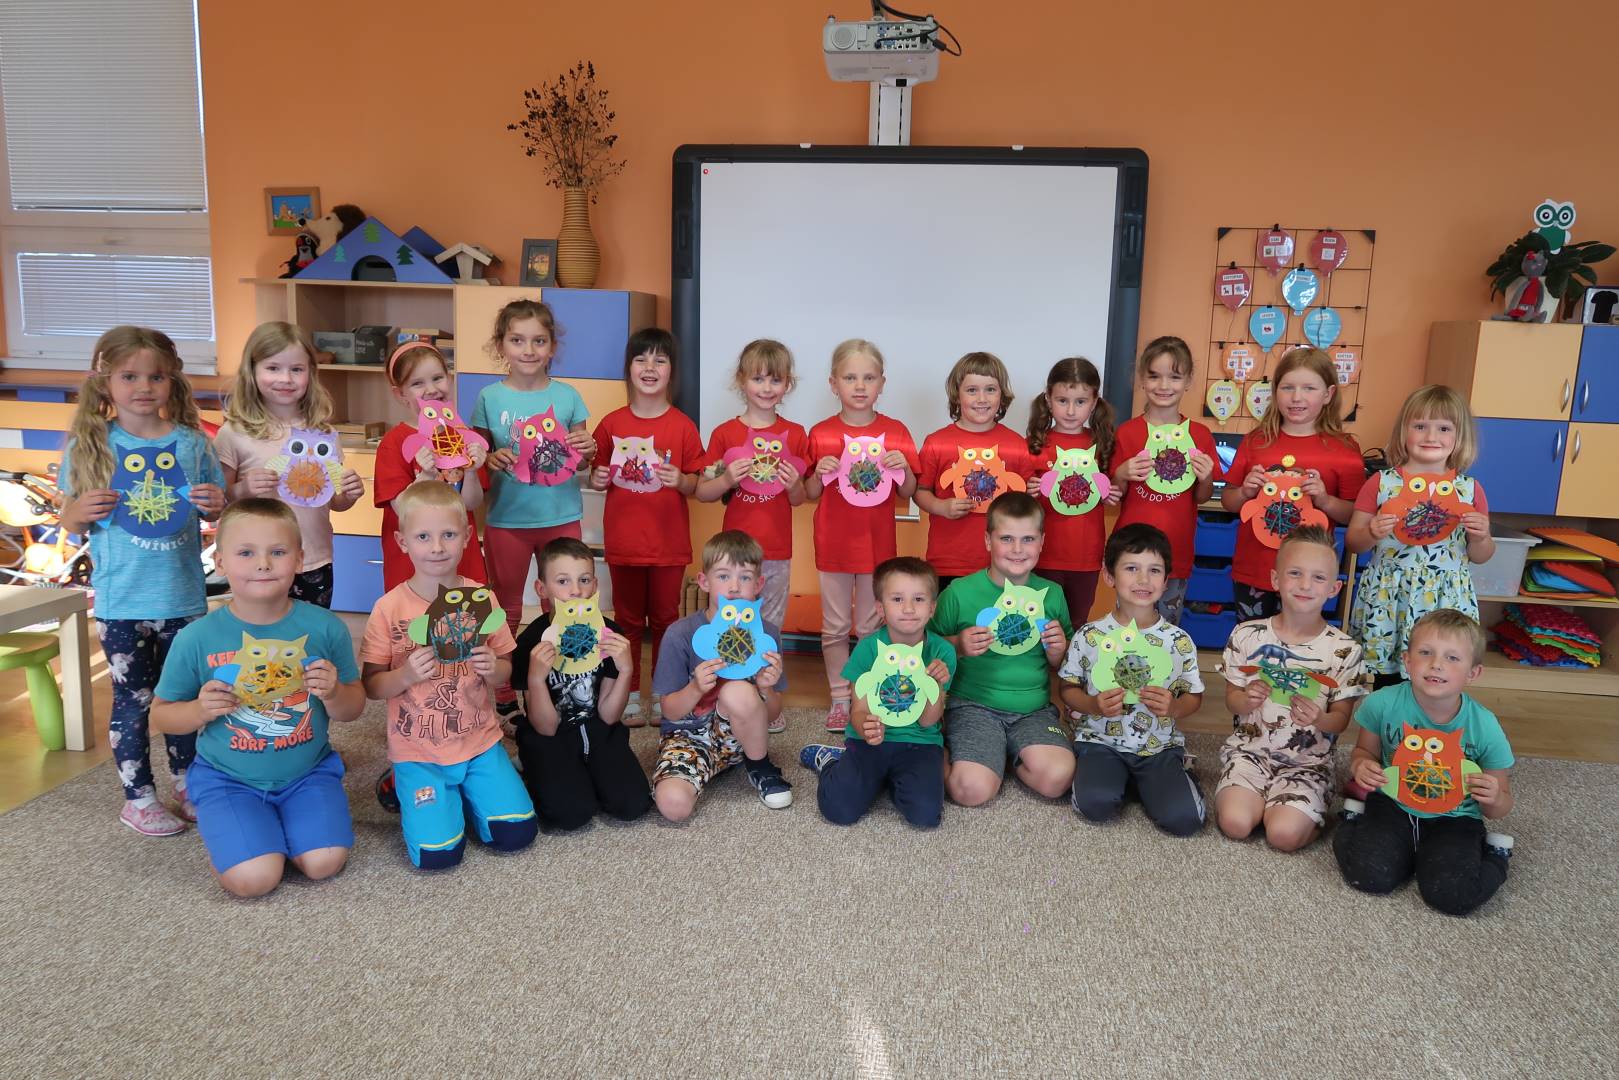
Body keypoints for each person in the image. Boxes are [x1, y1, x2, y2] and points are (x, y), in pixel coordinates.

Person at [57, 326, 226, 836]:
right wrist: (80, 510)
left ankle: (188, 783)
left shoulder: (192, 442)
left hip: (183, 597)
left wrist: (215, 505)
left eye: (156, 376)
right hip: (122, 602)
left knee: (185, 697)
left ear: (172, 381)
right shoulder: (93, 444)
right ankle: (138, 798)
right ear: (105, 382)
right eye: (129, 376)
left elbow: (215, 505)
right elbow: (69, 518)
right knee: (133, 702)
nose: (144, 387)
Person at [150, 500, 363, 896]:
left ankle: (275, 828)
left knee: (324, 863)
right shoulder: (197, 638)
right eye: (246, 553)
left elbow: (354, 708)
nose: (263, 564)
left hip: (308, 773)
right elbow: (161, 717)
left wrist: (334, 692)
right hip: (227, 779)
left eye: (277, 552)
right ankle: (247, 832)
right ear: (220, 561)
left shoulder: (325, 628)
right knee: (254, 880)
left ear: (300, 560)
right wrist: (198, 710)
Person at [360, 480, 537, 869]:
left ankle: (468, 794)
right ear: (402, 542)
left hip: (479, 742)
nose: (437, 547)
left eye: (449, 535)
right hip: (419, 751)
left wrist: (493, 669)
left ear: (468, 537)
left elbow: (506, 668)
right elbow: (371, 685)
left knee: (517, 834)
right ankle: (402, 782)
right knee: (437, 857)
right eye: (423, 536)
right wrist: (404, 676)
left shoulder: (482, 598)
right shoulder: (388, 608)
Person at [1335, 610, 1515, 916]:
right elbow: (1364, 752)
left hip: (1455, 817)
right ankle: (1352, 820)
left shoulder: (1485, 726)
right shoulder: (1382, 703)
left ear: (1473, 673)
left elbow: (1500, 806)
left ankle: (1496, 855)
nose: (1436, 664)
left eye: (1452, 658)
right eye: (1425, 653)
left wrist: (1494, 797)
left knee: (1453, 896)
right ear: (1407, 661)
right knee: (1369, 875)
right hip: (1393, 804)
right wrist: (1360, 766)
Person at [470, 299, 595, 723]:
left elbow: (581, 459)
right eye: (517, 340)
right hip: (507, 520)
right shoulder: (489, 397)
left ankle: (564, 680)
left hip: (561, 516)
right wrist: (490, 458)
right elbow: (475, 456)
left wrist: (588, 450)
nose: (528, 350)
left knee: (564, 606)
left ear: (552, 346)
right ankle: (505, 691)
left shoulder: (568, 396)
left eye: (539, 341)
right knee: (505, 608)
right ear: (501, 345)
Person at [1215, 526, 1368, 851]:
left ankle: (1301, 811)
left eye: (1318, 577)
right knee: (1235, 824)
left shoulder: (1345, 649)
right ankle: (1267, 802)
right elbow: (1231, 701)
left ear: (1334, 588)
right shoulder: (1246, 635)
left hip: (1307, 763)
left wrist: (1319, 718)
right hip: (1250, 754)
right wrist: (1246, 699)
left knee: (1282, 836)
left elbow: (1340, 721)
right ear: (1275, 579)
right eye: (1295, 573)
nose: (1305, 585)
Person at [929, 491, 1074, 807]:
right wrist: (958, 645)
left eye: (1028, 539)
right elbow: (925, 648)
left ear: (1042, 542)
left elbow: (1064, 664)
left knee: (1058, 779)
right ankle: (947, 750)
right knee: (971, 791)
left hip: (1033, 709)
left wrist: (1057, 650)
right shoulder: (959, 592)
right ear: (987, 541)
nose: (1018, 549)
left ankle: (1003, 756)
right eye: (1006, 538)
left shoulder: (1052, 594)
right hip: (974, 706)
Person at [1059, 523, 1205, 835]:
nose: (1143, 579)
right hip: (1101, 742)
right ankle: (1126, 782)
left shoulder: (1178, 640)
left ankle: (1157, 781)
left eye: (1154, 570)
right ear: (1109, 575)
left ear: (1166, 580)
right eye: (1131, 568)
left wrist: (1175, 708)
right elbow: (1068, 688)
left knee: (1184, 820)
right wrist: (1092, 705)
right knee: (1095, 805)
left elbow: (1194, 696)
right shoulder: (1090, 635)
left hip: (1158, 746)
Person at [589, 328, 704, 724]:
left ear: (672, 370)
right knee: (626, 622)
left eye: (660, 359)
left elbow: (697, 483)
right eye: (641, 359)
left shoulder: (682, 426)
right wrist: (598, 478)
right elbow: (597, 473)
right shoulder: (611, 423)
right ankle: (629, 692)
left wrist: (682, 481)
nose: (650, 367)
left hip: (668, 545)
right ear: (629, 368)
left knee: (667, 621)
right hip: (624, 544)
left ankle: (664, 693)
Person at [803, 339, 920, 731]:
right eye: (850, 377)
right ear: (833, 383)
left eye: (868, 378)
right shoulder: (821, 433)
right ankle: (840, 698)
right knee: (835, 627)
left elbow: (908, 492)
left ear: (881, 383)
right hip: (834, 545)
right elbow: (808, 493)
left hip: (877, 548)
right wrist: (819, 473)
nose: (859, 386)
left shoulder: (896, 431)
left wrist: (904, 468)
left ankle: (866, 695)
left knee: (872, 627)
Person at [1347, 384, 1495, 689]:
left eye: (1444, 428)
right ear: (1404, 431)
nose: (1431, 436)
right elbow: (1353, 542)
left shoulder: (1469, 489)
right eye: (1420, 426)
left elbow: (1481, 556)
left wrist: (1481, 538)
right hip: (1390, 597)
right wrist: (1371, 531)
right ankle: (1390, 719)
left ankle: (1430, 720)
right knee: (1388, 678)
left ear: (1460, 437)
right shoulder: (1381, 483)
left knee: (1438, 676)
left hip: (1444, 599)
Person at [215, 321, 365, 607]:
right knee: (261, 631)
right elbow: (219, 500)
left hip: (313, 558)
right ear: (252, 371)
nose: (285, 378)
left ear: (311, 373)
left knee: (311, 631)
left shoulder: (324, 434)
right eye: (273, 368)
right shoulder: (234, 432)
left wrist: (349, 495)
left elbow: (334, 501)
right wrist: (243, 489)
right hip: (258, 564)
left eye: (296, 369)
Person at [799, 556, 956, 828]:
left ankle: (890, 779)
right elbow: (858, 711)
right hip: (870, 741)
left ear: (932, 608)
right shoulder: (868, 649)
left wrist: (936, 685)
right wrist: (866, 727)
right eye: (897, 599)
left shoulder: (942, 653)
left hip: (919, 742)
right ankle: (831, 762)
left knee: (926, 816)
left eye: (919, 599)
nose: (908, 608)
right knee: (838, 810)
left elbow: (927, 721)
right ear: (880, 608)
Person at [510, 537, 652, 830]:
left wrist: (626, 670)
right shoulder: (530, 641)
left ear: (595, 586)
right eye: (562, 581)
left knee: (633, 804)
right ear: (542, 589)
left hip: (600, 731)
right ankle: (531, 764)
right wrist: (536, 679)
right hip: (551, 738)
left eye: (584, 580)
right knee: (571, 815)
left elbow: (609, 716)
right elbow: (546, 728)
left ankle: (586, 772)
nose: (575, 590)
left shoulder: (609, 633)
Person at [650, 530, 791, 819]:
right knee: (674, 806)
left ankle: (759, 765)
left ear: (759, 585)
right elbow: (670, 711)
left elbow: (773, 713)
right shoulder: (680, 634)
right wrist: (695, 688)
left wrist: (767, 688)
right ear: (704, 582)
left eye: (745, 577)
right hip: (688, 737)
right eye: (724, 576)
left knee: (736, 690)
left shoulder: (766, 634)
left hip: (741, 737)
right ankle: (710, 766)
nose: (734, 587)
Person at [1220, 346, 1364, 622]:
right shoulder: (1256, 441)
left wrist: (1324, 500)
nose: (1297, 397)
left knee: (1300, 642)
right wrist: (1245, 492)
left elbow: (1354, 515)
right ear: (1275, 391)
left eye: (1309, 388)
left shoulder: (1345, 449)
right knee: (1253, 640)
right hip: (1255, 570)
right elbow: (1229, 502)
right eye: (1287, 387)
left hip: (1308, 578)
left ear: (1328, 394)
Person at [696, 338, 809, 636]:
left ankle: (766, 669)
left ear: (787, 384)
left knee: (769, 626)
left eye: (776, 380)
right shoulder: (725, 433)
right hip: (733, 552)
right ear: (741, 380)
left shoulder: (796, 434)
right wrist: (726, 480)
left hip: (776, 551)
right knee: (730, 624)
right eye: (758, 379)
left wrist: (793, 485)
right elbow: (702, 492)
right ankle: (728, 668)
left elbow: (799, 498)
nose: (767, 388)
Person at [1109, 336, 1218, 625]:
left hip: (1175, 551)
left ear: (1188, 381)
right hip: (1131, 551)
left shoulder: (1200, 435)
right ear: (1142, 379)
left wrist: (1206, 477)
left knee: (1166, 630)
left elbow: (1202, 496)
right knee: (1127, 627)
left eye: (1174, 377)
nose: (1164, 385)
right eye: (1154, 376)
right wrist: (1121, 473)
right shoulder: (1127, 433)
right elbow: (1114, 496)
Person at [915, 351, 1036, 594]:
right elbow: (920, 491)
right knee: (950, 618)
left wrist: (1034, 491)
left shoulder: (1016, 445)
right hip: (950, 560)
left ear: (1002, 395)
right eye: (972, 390)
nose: (982, 398)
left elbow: (1026, 498)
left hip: (1004, 562)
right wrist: (941, 507)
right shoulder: (937, 442)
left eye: (990, 389)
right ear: (956, 395)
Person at [373, 341, 487, 593]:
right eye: (417, 383)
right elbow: (402, 508)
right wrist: (425, 474)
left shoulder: (463, 435)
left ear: (450, 379)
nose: (432, 390)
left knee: (464, 610)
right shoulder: (394, 443)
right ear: (400, 394)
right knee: (414, 611)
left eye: (438, 378)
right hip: (412, 562)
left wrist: (471, 471)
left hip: (458, 555)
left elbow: (471, 503)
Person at [1028, 356, 1120, 625]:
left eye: (1080, 402)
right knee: (1040, 625)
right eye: (1062, 400)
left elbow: (1113, 490)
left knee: (1076, 624)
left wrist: (1112, 494)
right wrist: (1027, 491)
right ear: (1048, 399)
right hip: (1042, 555)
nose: (1070, 411)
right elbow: (1018, 504)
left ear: (1094, 402)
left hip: (1086, 557)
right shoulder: (1035, 444)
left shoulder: (1103, 444)